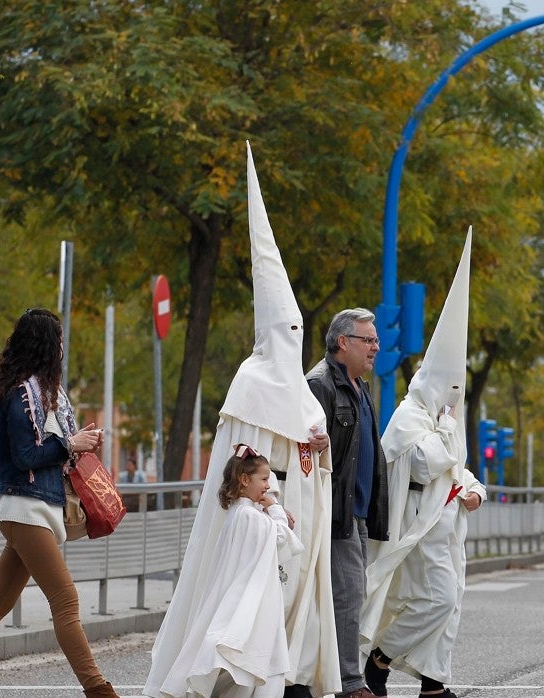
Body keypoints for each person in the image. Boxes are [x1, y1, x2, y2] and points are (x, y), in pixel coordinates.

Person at [147, 144, 338, 698]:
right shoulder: (251, 382)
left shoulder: (301, 390)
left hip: (300, 506)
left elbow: (313, 450)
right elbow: (246, 456)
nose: (293, 342)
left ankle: (292, 678)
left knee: (296, 600)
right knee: (258, 601)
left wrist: (319, 446)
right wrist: (268, 493)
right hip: (263, 513)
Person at [0, 308, 117, 698]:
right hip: (24, 507)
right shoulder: (21, 394)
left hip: (34, 508)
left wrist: (77, 441)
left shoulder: (45, 392)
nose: (64, 347)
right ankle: (99, 691)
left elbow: (49, 450)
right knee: (65, 599)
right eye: (60, 340)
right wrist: (68, 444)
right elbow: (25, 456)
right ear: (48, 345)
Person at [359, 230, 486, 698]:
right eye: (447, 384)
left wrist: (475, 490)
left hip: (448, 520)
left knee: (448, 602)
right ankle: (380, 658)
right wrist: (450, 452)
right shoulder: (410, 416)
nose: (454, 395)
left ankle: (433, 683)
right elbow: (429, 464)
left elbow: (459, 469)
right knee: (436, 598)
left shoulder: (445, 418)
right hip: (417, 522)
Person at [153, 444, 303, 697]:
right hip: (253, 599)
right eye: (264, 479)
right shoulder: (250, 516)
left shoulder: (240, 514)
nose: (268, 486)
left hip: (249, 594)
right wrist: (275, 508)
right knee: (259, 658)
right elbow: (280, 537)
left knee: (252, 662)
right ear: (245, 480)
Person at [307, 307, 390, 698]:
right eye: (368, 340)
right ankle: (349, 683)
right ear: (344, 342)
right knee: (347, 594)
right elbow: (304, 451)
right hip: (335, 511)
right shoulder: (320, 384)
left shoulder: (360, 388)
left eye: (375, 340)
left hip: (356, 511)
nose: (376, 347)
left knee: (349, 594)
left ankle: (332, 676)